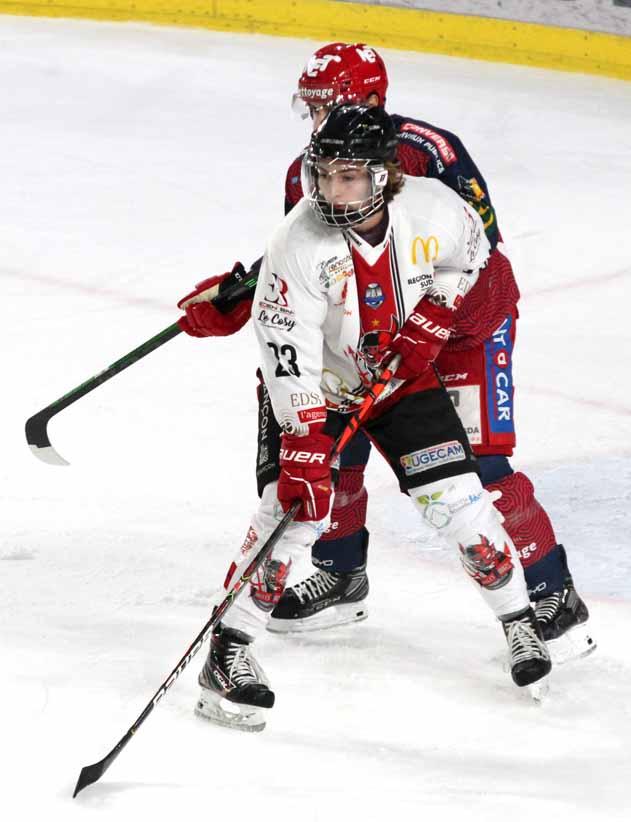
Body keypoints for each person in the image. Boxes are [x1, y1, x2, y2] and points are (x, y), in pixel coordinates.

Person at [176, 43, 592, 661]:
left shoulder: (430, 153)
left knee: (475, 468)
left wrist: (435, 321)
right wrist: (245, 291)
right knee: (334, 440)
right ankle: (341, 574)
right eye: (310, 108)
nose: (316, 121)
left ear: (372, 99)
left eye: (328, 105)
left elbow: (475, 253)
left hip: (463, 328)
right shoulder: (306, 169)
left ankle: (551, 594)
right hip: (376, 331)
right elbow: (318, 255)